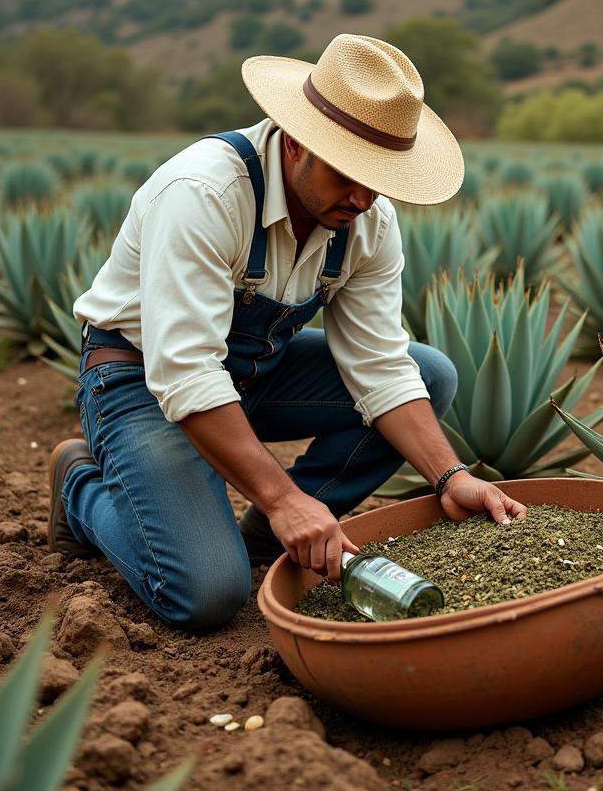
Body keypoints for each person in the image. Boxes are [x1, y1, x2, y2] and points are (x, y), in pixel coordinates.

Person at [47, 33, 528, 631]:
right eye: (348, 172)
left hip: (254, 374)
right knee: (205, 596)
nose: (363, 195)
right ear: (297, 142)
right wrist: (284, 498)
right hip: (140, 379)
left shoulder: (366, 218)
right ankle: (81, 486)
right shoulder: (205, 193)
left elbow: (379, 362)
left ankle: (259, 537)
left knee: (429, 374)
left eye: (379, 177)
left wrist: (450, 477)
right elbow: (186, 371)